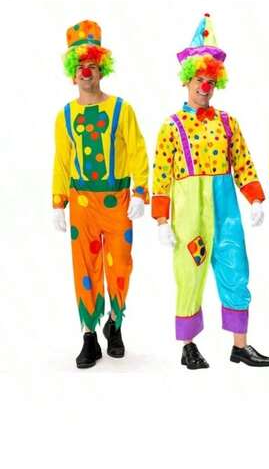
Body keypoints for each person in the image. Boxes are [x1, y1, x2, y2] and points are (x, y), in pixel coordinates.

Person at [152, 14, 269, 369]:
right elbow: (161, 174)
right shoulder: (172, 126)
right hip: (189, 210)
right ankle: (188, 346)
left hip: (225, 207)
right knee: (189, 272)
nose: (204, 87)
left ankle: (240, 346)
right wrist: (161, 219)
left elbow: (243, 162)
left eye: (210, 81)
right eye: (199, 80)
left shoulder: (227, 122)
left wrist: (255, 198)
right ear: (186, 81)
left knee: (236, 267)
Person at [52, 19, 149, 368]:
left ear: (101, 69)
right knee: (85, 267)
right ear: (72, 73)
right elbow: (62, 160)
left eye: (92, 65)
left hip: (117, 200)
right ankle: (89, 335)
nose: (86, 72)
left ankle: (115, 323)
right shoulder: (65, 116)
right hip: (81, 203)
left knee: (120, 264)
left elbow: (137, 150)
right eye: (80, 66)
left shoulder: (122, 109)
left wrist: (140, 192)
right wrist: (58, 202)